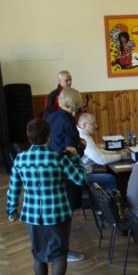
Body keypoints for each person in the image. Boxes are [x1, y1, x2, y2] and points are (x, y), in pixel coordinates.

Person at [6, 118, 87, 275]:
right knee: (59, 255)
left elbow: (14, 188)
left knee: (38, 255)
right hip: (58, 213)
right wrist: (75, 157)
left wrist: (11, 210)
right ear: (49, 137)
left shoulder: (20, 159)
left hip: (33, 215)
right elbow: (80, 179)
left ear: (29, 137)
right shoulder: (58, 158)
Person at [47, 88, 87, 262]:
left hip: (51, 169)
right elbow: (71, 152)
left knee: (57, 215)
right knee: (65, 215)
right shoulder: (68, 122)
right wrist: (82, 146)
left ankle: (56, 248)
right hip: (66, 173)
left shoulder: (51, 117)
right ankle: (63, 251)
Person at [76, 112, 123, 193]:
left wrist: (116, 153)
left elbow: (98, 151)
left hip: (83, 172)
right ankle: (112, 201)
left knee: (107, 172)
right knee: (111, 178)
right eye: (93, 124)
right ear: (84, 125)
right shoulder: (84, 138)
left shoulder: (81, 133)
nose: (96, 126)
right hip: (83, 175)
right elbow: (101, 160)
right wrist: (121, 156)